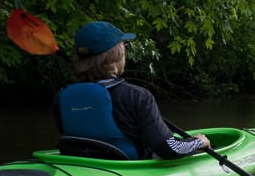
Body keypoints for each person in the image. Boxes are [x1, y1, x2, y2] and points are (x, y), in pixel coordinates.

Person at [53, 21, 210, 159]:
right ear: (116, 57)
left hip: (79, 164)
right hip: (125, 168)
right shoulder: (137, 96)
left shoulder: (61, 97)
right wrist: (198, 142)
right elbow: (169, 149)